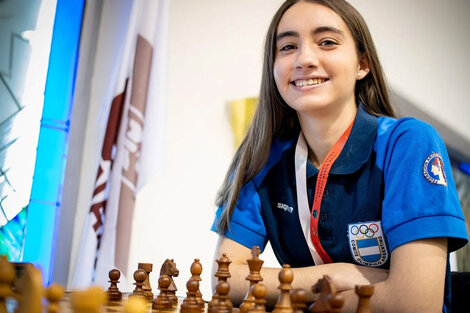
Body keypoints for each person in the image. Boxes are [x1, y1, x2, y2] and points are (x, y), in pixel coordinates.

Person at [210, 0, 468, 312]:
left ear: (363, 64)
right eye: (288, 46)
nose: (304, 58)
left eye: (327, 42)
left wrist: (302, 296)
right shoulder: (261, 155)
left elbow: (415, 302)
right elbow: (227, 278)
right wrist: (338, 275)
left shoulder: (408, 142)